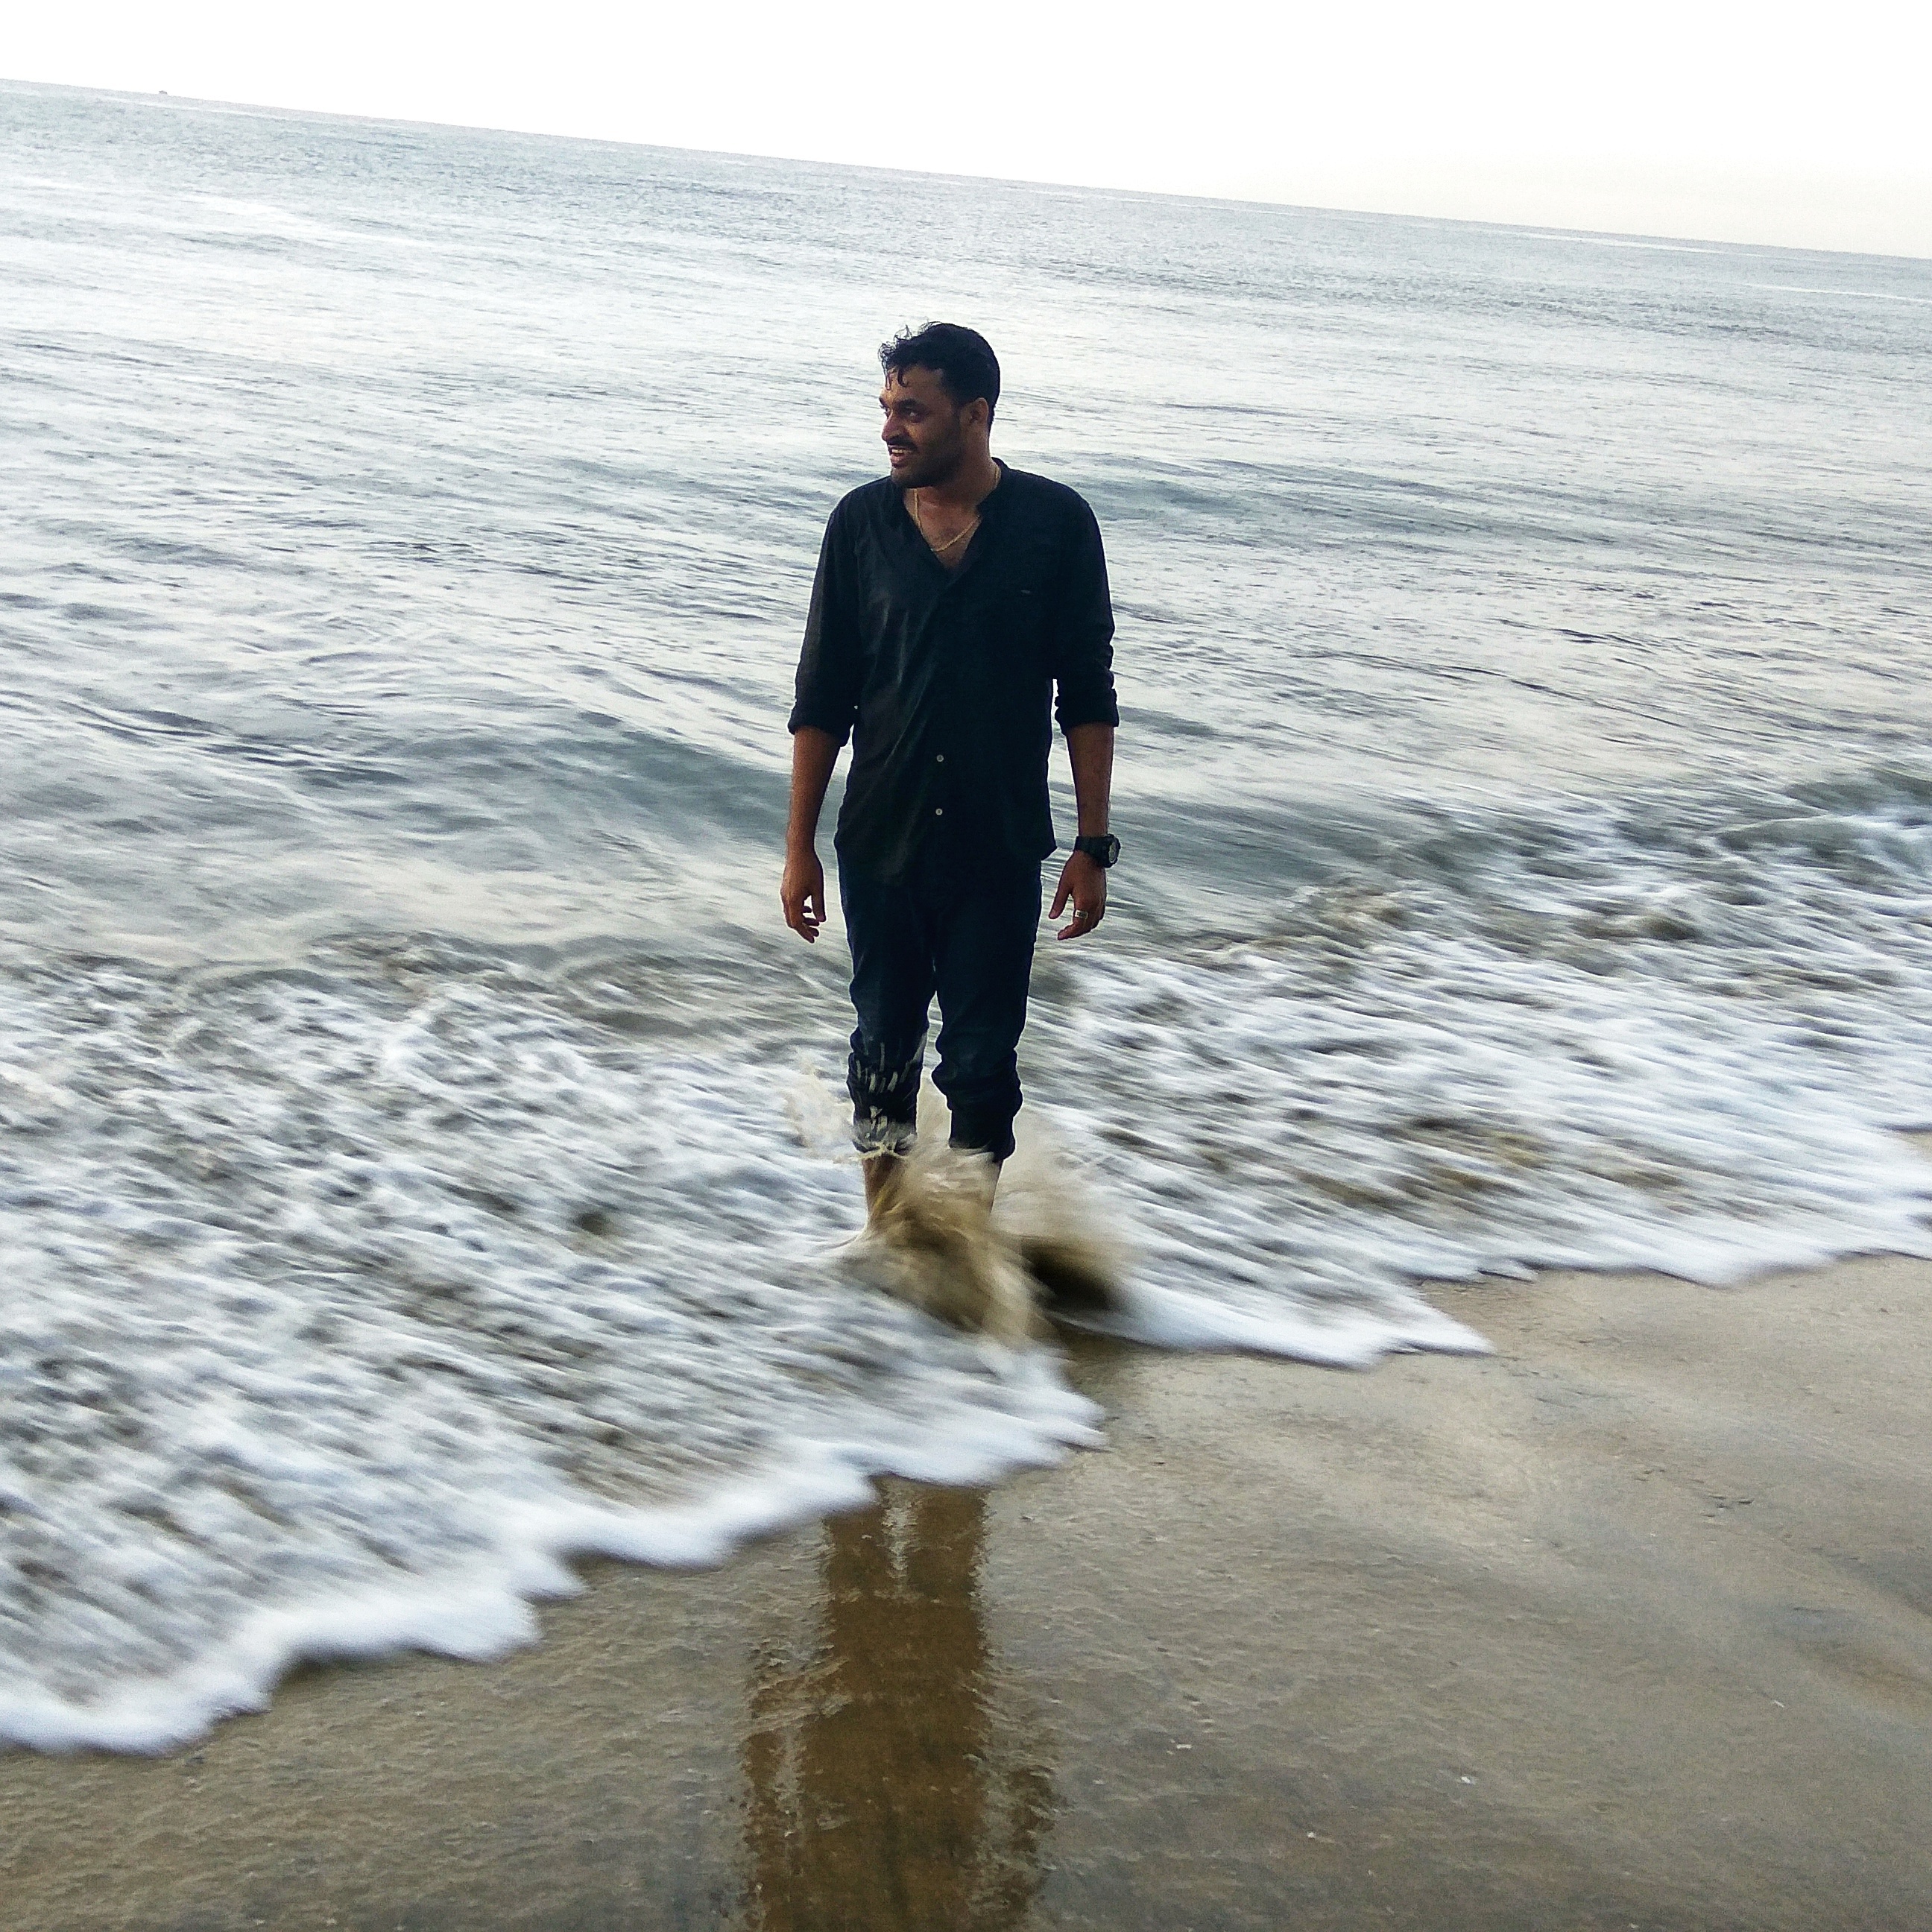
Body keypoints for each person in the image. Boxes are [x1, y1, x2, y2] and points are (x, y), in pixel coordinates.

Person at [781, 322, 1120, 1222]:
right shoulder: (859, 524)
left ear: (975, 415)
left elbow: (1087, 693)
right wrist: (799, 847)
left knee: (981, 1067)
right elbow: (822, 697)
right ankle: (886, 1236)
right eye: (887, 408)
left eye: (913, 412)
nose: (890, 429)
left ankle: (966, 1253)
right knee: (881, 1053)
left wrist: (1093, 844)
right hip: (880, 843)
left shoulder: (1056, 525)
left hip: (996, 847)